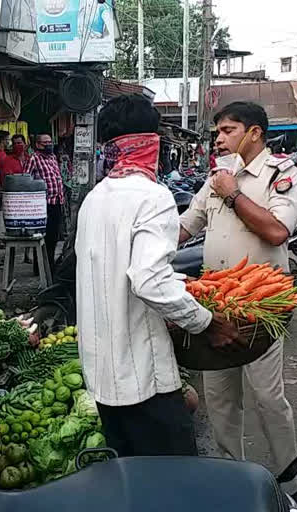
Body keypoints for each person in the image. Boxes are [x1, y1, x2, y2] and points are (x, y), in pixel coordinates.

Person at [75, 94, 245, 457]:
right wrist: (206, 322)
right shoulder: (153, 197)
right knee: (175, 482)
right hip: (142, 378)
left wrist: (181, 287)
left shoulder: (94, 198)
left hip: (102, 374)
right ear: (151, 141)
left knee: (132, 477)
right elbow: (148, 280)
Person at [179, 101, 297, 500]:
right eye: (218, 131)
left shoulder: (281, 174)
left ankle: (290, 484)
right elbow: (184, 228)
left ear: (254, 133)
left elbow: (276, 231)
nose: (219, 137)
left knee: (268, 397)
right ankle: (233, 480)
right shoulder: (218, 177)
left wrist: (233, 195)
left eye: (228, 130)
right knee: (219, 399)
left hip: (258, 308)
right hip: (214, 304)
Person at [25, 133, 65, 271]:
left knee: (54, 236)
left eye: (50, 142)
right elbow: (26, 179)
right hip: (43, 203)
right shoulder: (34, 158)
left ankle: (49, 264)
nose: (49, 145)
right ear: (37, 145)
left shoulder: (53, 157)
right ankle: (40, 266)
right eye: (45, 142)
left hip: (57, 201)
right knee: (43, 236)